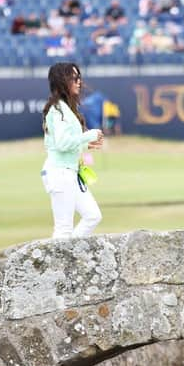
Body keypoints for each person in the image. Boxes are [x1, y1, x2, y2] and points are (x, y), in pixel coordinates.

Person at [41, 62, 104, 239]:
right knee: (63, 229)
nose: (79, 82)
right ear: (62, 81)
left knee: (92, 216)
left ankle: (70, 256)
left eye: (79, 78)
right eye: (74, 78)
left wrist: (85, 146)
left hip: (69, 172)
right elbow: (61, 144)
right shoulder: (58, 109)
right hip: (60, 173)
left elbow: (60, 142)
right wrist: (88, 136)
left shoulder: (65, 108)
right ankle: (59, 264)